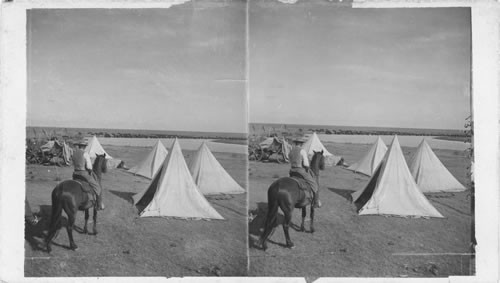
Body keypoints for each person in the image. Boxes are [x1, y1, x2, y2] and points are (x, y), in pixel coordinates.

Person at [289, 138, 321, 208]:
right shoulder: (302, 151)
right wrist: (306, 167)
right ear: (301, 144)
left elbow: (290, 160)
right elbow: (306, 164)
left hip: (292, 171)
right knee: (314, 184)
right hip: (300, 171)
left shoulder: (291, 150)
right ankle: (315, 202)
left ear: (295, 143)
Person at [72, 139, 104, 210]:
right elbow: (89, 167)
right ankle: (98, 204)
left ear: (79, 146)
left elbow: (73, 163)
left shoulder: (74, 153)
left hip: (75, 174)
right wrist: (89, 170)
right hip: (83, 174)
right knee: (97, 186)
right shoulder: (85, 153)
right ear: (84, 146)